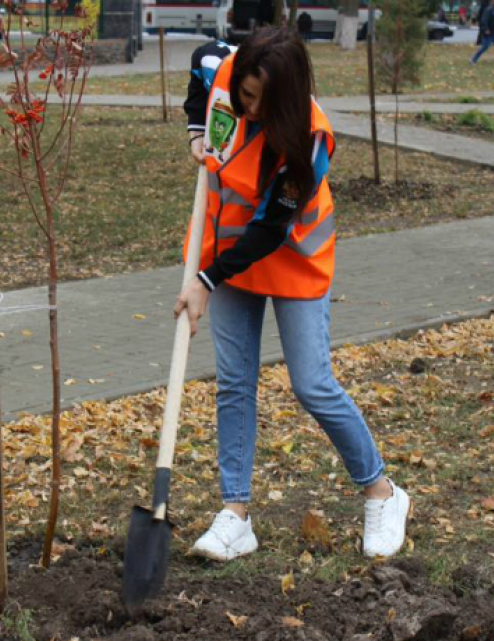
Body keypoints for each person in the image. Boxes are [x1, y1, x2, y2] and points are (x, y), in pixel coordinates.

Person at [179, 28, 410, 562]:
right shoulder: (228, 71)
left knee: (311, 383)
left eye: (255, 99)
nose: (242, 105)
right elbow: (201, 63)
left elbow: (270, 232)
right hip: (229, 251)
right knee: (235, 383)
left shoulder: (308, 142)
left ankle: (383, 493)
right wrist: (197, 127)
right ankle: (236, 515)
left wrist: (203, 282)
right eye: (240, 92)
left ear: (282, 98)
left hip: (292, 257)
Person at [472, 0, 494, 64]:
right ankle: (474, 60)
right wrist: (486, 29)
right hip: (490, 32)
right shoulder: (489, 10)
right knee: (485, 47)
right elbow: (484, 20)